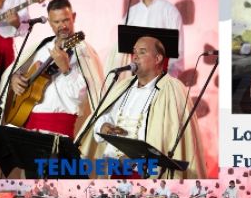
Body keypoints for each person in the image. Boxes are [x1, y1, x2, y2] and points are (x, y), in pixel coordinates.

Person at [78, 33, 206, 179]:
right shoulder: (123, 86)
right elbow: (104, 115)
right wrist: (103, 126)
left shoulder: (172, 88)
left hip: (145, 174)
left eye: (142, 52)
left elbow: (170, 136)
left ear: (157, 59)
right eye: (134, 52)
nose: (135, 56)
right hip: (113, 169)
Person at [2, 0, 103, 145]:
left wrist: (66, 69)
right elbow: (16, 71)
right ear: (49, 22)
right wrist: (14, 78)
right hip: (28, 128)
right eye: (56, 22)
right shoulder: (42, 47)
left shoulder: (83, 52)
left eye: (66, 20)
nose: (62, 26)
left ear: (73, 17)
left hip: (58, 132)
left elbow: (80, 98)